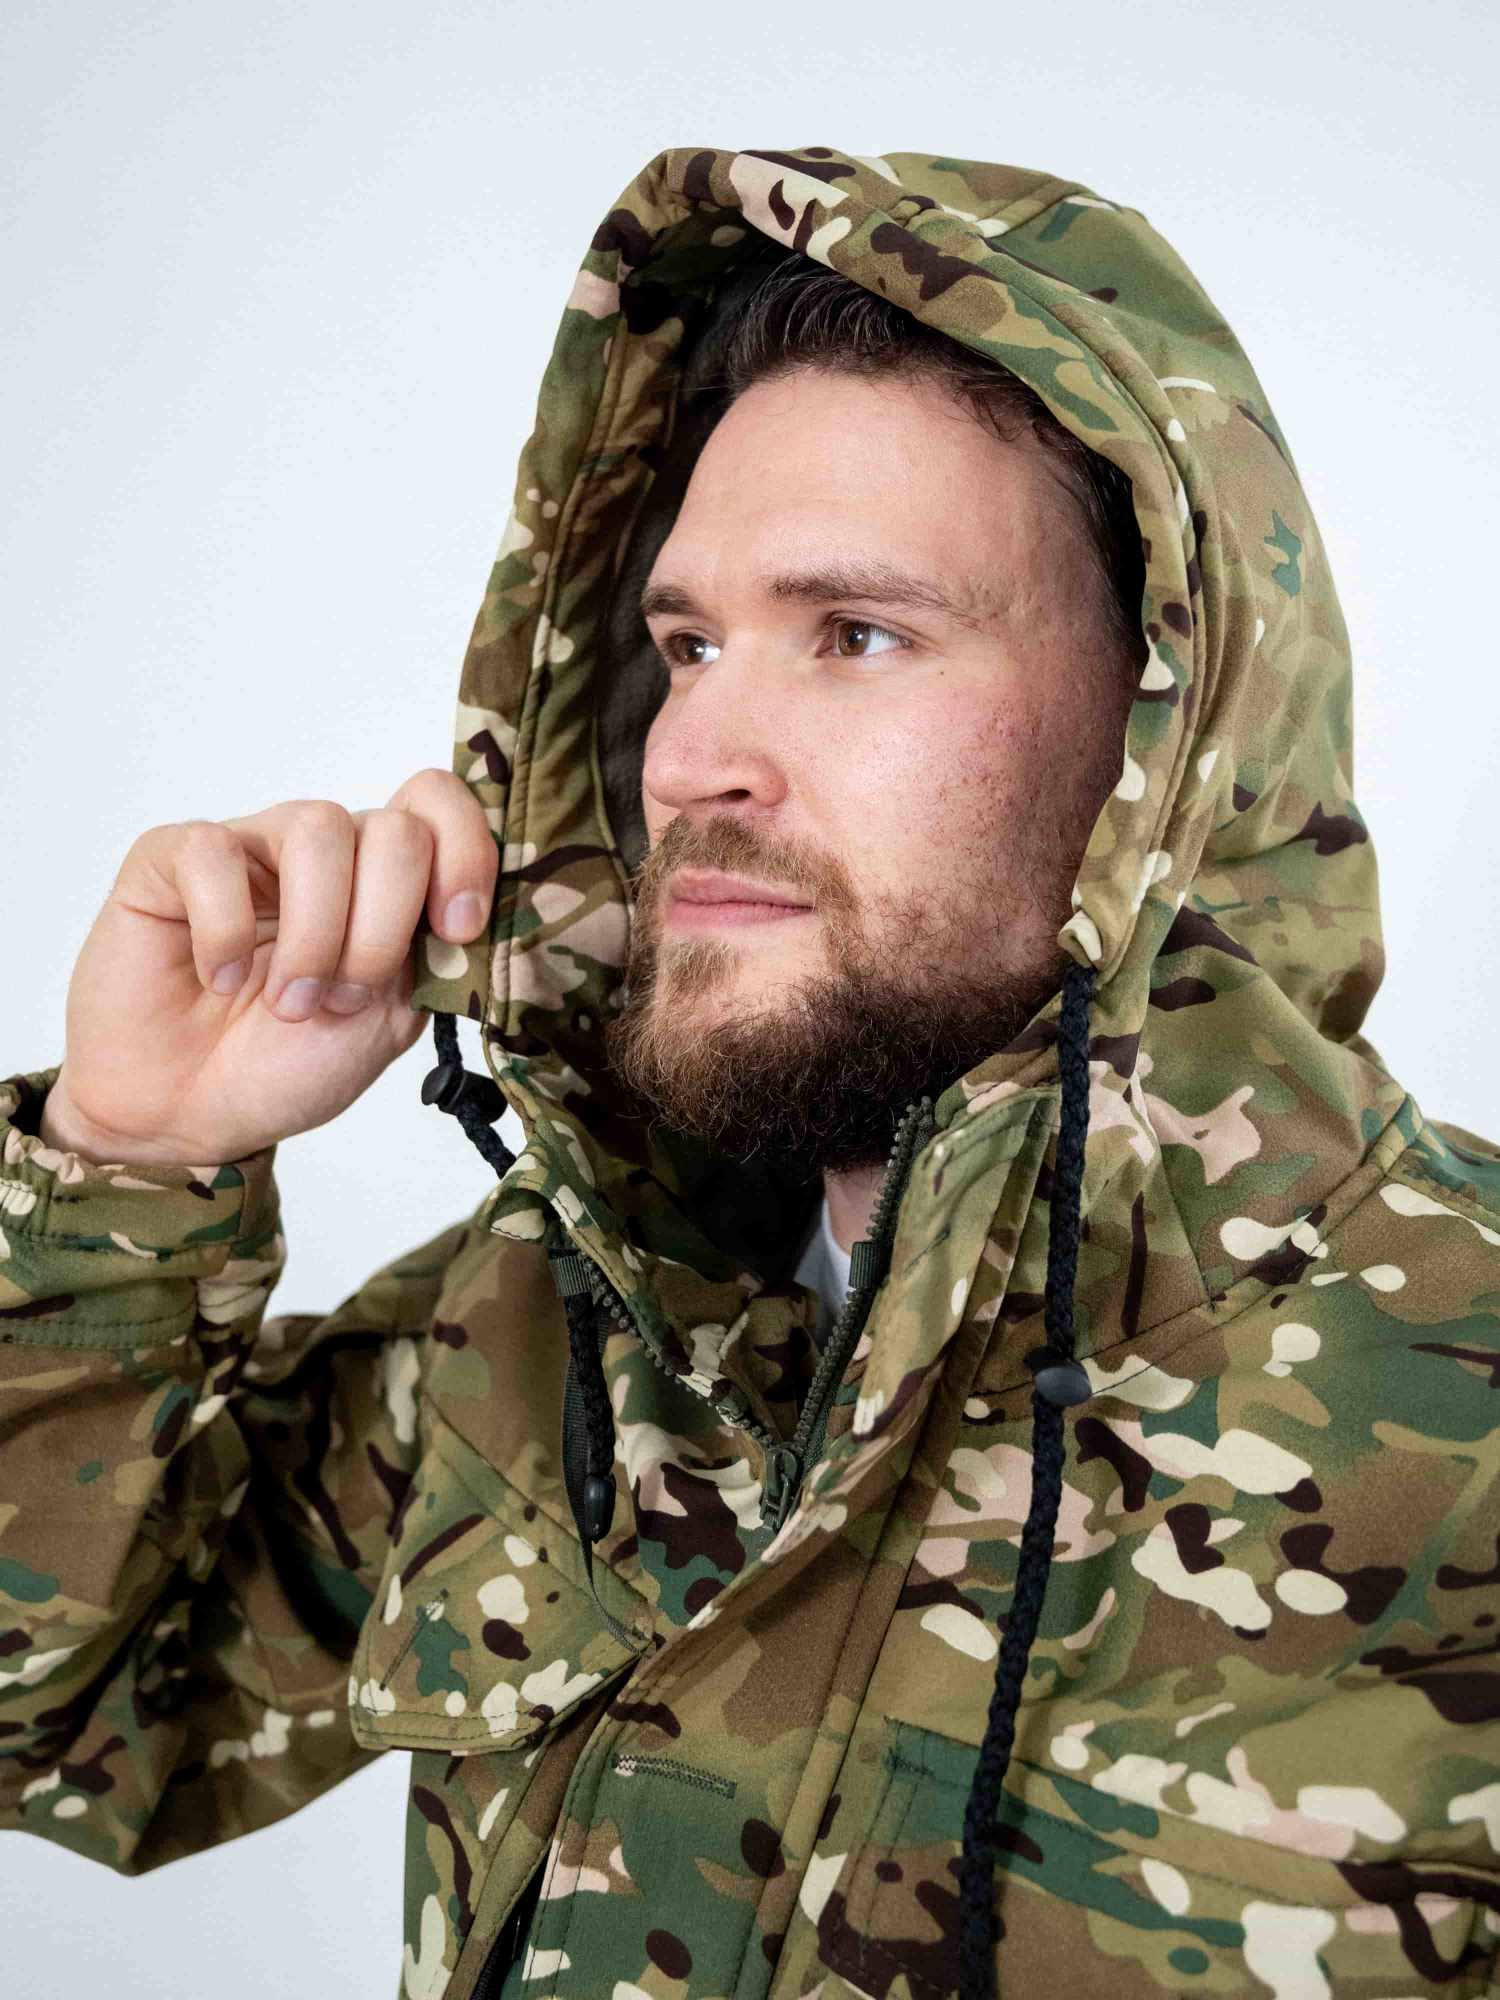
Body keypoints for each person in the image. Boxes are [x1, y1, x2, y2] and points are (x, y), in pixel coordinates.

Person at [3, 144, 1497, 2000]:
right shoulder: (561, 1323)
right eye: (688, 644)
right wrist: (124, 1164)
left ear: (1169, 733)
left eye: (857, 635)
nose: (691, 749)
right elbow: (66, 1727)